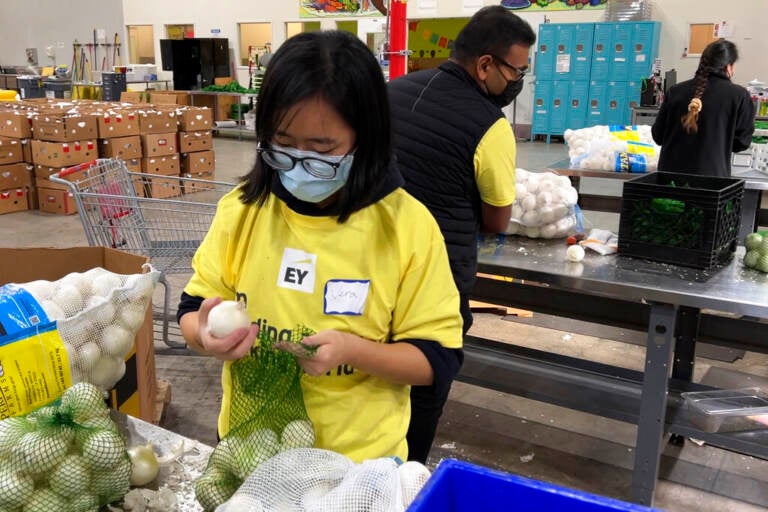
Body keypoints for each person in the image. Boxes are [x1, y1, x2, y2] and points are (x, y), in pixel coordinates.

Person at [177, 30, 463, 463]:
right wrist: (203, 336)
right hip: (248, 448)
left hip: (355, 463)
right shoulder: (243, 210)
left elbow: (436, 360)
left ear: (365, 136)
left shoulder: (406, 227)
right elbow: (192, 309)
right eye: (283, 145)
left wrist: (354, 352)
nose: (298, 165)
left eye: (321, 149)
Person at [388, 6, 535, 463]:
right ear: (486, 65)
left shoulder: (390, 92)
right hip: (435, 281)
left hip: (369, 268)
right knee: (424, 385)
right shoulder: (490, 126)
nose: (518, 82)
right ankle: (405, 482)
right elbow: (496, 221)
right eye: (517, 70)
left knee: (368, 384)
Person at [652, 39, 755, 177]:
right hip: (711, 181)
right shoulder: (739, 96)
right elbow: (741, 143)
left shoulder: (675, 91)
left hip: (669, 179)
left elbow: (658, 135)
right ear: (729, 67)